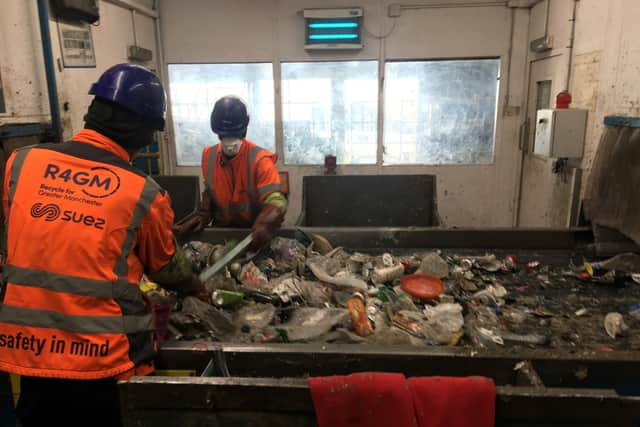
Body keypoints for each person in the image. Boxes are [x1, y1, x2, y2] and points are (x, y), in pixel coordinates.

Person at [0, 63, 206, 427]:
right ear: (145, 133)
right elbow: (167, 269)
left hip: (27, 347)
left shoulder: (21, 163)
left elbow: (28, 235)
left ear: (92, 111)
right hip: (98, 358)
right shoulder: (143, 192)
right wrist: (195, 286)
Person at [176, 95, 287, 251]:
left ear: (245, 129)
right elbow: (210, 190)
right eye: (224, 135)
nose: (230, 142)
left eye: (235, 134)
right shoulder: (209, 155)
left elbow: (277, 200)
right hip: (221, 234)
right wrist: (204, 213)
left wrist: (265, 222)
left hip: (253, 235)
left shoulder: (260, 160)